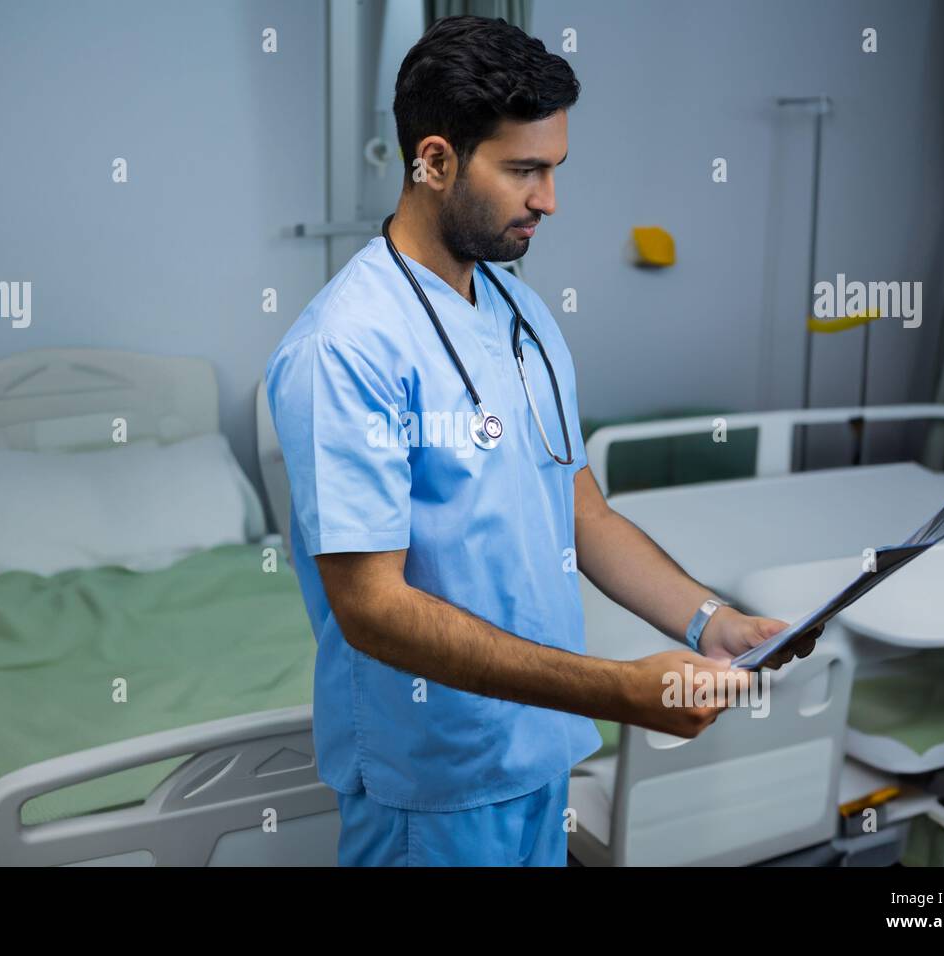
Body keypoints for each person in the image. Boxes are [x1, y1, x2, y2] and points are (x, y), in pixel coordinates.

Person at [265, 14, 819, 867]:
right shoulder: (346, 345)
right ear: (436, 160)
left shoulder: (519, 312)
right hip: (434, 782)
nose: (548, 200)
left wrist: (710, 621)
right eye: (524, 170)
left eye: (554, 169)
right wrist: (619, 691)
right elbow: (371, 608)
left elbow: (580, 509)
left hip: (541, 755)